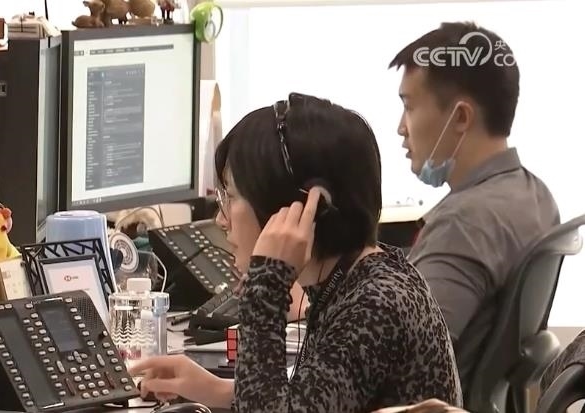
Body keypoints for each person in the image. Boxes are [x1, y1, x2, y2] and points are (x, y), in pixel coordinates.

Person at [131, 93, 461, 412]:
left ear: (302, 207)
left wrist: (266, 286)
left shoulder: (377, 305)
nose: (221, 219)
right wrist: (221, 391)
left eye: (230, 196)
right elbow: (317, 400)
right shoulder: (367, 277)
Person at [388, 22, 560, 383]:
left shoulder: (464, 223)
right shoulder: (536, 195)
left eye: (409, 107)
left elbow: (398, 364)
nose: (401, 128)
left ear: (461, 117)